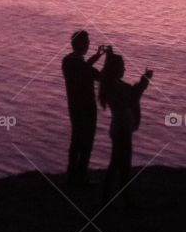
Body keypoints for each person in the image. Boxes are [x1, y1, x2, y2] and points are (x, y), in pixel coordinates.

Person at [98, 51, 153, 208]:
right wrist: (144, 81)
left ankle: (109, 200)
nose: (125, 69)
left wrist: (143, 82)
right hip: (121, 131)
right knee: (121, 167)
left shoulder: (113, 86)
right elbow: (132, 97)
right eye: (123, 66)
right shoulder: (115, 88)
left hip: (121, 129)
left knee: (116, 166)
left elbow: (132, 94)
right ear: (116, 69)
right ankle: (124, 202)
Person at [62, 31, 106, 185]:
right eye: (86, 42)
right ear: (79, 44)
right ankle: (80, 176)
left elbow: (86, 69)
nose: (88, 44)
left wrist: (97, 56)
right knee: (85, 142)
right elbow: (95, 74)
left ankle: (73, 174)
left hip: (75, 108)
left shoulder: (69, 61)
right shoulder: (74, 63)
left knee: (77, 141)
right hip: (85, 109)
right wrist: (102, 59)